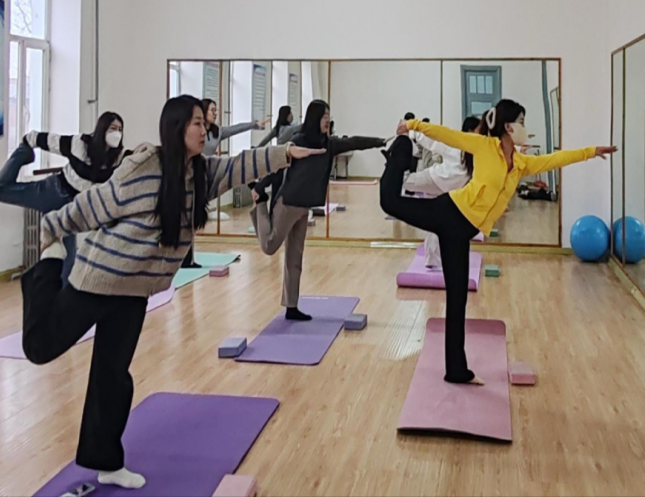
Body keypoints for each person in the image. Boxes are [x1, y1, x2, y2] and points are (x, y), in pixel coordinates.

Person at [20, 94, 322, 490]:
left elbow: (240, 165)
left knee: (112, 377)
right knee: (40, 347)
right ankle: (46, 267)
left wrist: (285, 153)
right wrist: (52, 229)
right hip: (100, 279)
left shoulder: (201, 174)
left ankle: (106, 461)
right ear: (176, 128)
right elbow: (98, 203)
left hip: (134, 292)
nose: (204, 129)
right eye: (196, 123)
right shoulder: (146, 167)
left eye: (204, 123)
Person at [380, 99, 615, 384]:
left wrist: (591, 152)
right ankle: (399, 150)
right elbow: (446, 135)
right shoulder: (484, 146)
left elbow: (555, 159)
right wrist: (412, 125)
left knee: (458, 299)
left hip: (462, 232)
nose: (525, 128)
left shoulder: (520, 163)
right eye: (522, 121)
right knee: (389, 202)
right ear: (508, 126)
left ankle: (456, 370)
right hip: (449, 213)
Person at [249, 99, 387, 320]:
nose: (327, 121)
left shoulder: (329, 144)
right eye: (324, 116)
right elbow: (278, 166)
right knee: (269, 246)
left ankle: (291, 307)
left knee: (295, 258)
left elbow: (353, 142)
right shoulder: (298, 141)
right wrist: (260, 187)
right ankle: (260, 205)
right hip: (288, 203)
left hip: (304, 207)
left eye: (329, 117)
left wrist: (379, 142)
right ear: (314, 118)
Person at [0, 112, 129, 285]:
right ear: (102, 129)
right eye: (113, 128)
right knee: (1, 190)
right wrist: (29, 140)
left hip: (73, 208)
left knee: (69, 257)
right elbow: (52, 141)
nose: (117, 133)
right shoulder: (80, 143)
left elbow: (142, 158)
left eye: (120, 129)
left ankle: (62, 295)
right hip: (53, 192)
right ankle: (23, 154)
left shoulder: (118, 158)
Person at [183, 98, 269, 268]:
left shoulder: (217, 132)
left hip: (207, 174)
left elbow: (235, 129)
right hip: (191, 174)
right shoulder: (193, 131)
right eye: (212, 110)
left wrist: (254, 125)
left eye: (216, 110)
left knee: (195, 216)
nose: (215, 113)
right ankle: (186, 258)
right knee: (188, 217)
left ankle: (188, 257)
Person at [403, 116, 479, 268]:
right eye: (479, 130)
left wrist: (517, 150)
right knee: (404, 181)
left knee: (437, 223)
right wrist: (411, 132)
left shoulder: (479, 151)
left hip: (448, 192)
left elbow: (498, 152)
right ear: (470, 131)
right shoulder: (457, 145)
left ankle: (432, 259)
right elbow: (433, 142)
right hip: (435, 180)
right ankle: (394, 164)